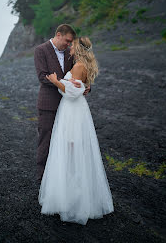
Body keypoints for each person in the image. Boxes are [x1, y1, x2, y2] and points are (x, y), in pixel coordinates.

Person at [38, 36, 114, 225]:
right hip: (73, 111)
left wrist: (56, 81)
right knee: (72, 151)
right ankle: (72, 195)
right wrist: (80, 88)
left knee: (71, 151)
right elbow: (78, 89)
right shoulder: (81, 65)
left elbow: (71, 93)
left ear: (78, 49)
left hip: (72, 112)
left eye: (72, 45)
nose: (69, 47)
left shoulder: (79, 66)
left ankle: (74, 199)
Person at [34, 24, 91, 184]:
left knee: (69, 142)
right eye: (67, 41)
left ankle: (64, 180)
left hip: (70, 106)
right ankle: (42, 180)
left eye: (70, 42)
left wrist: (85, 87)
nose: (68, 44)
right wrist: (66, 85)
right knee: (46, 140)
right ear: (58, 35)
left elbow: (79, 74)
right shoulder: (41, 50)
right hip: (48, 104)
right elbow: (42, 76)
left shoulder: (70, 52)